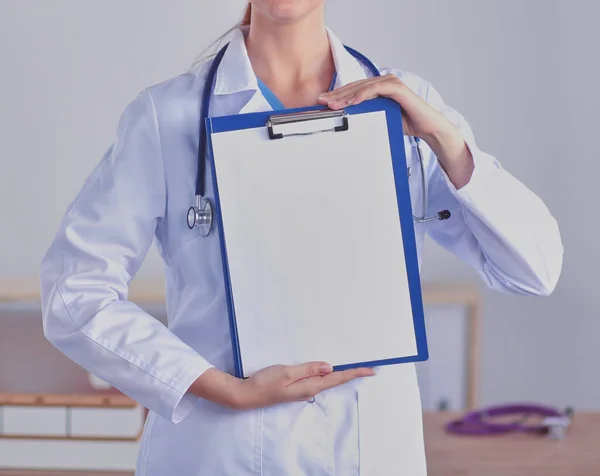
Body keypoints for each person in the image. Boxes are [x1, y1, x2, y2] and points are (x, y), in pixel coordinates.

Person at [39, 1, 563, 475]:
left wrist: (445, 139)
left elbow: (534, 270)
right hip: (218, 449)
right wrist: (221, 388)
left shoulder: (408, 106)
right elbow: (75, 292)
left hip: (370, 449)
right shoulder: (167, 115)